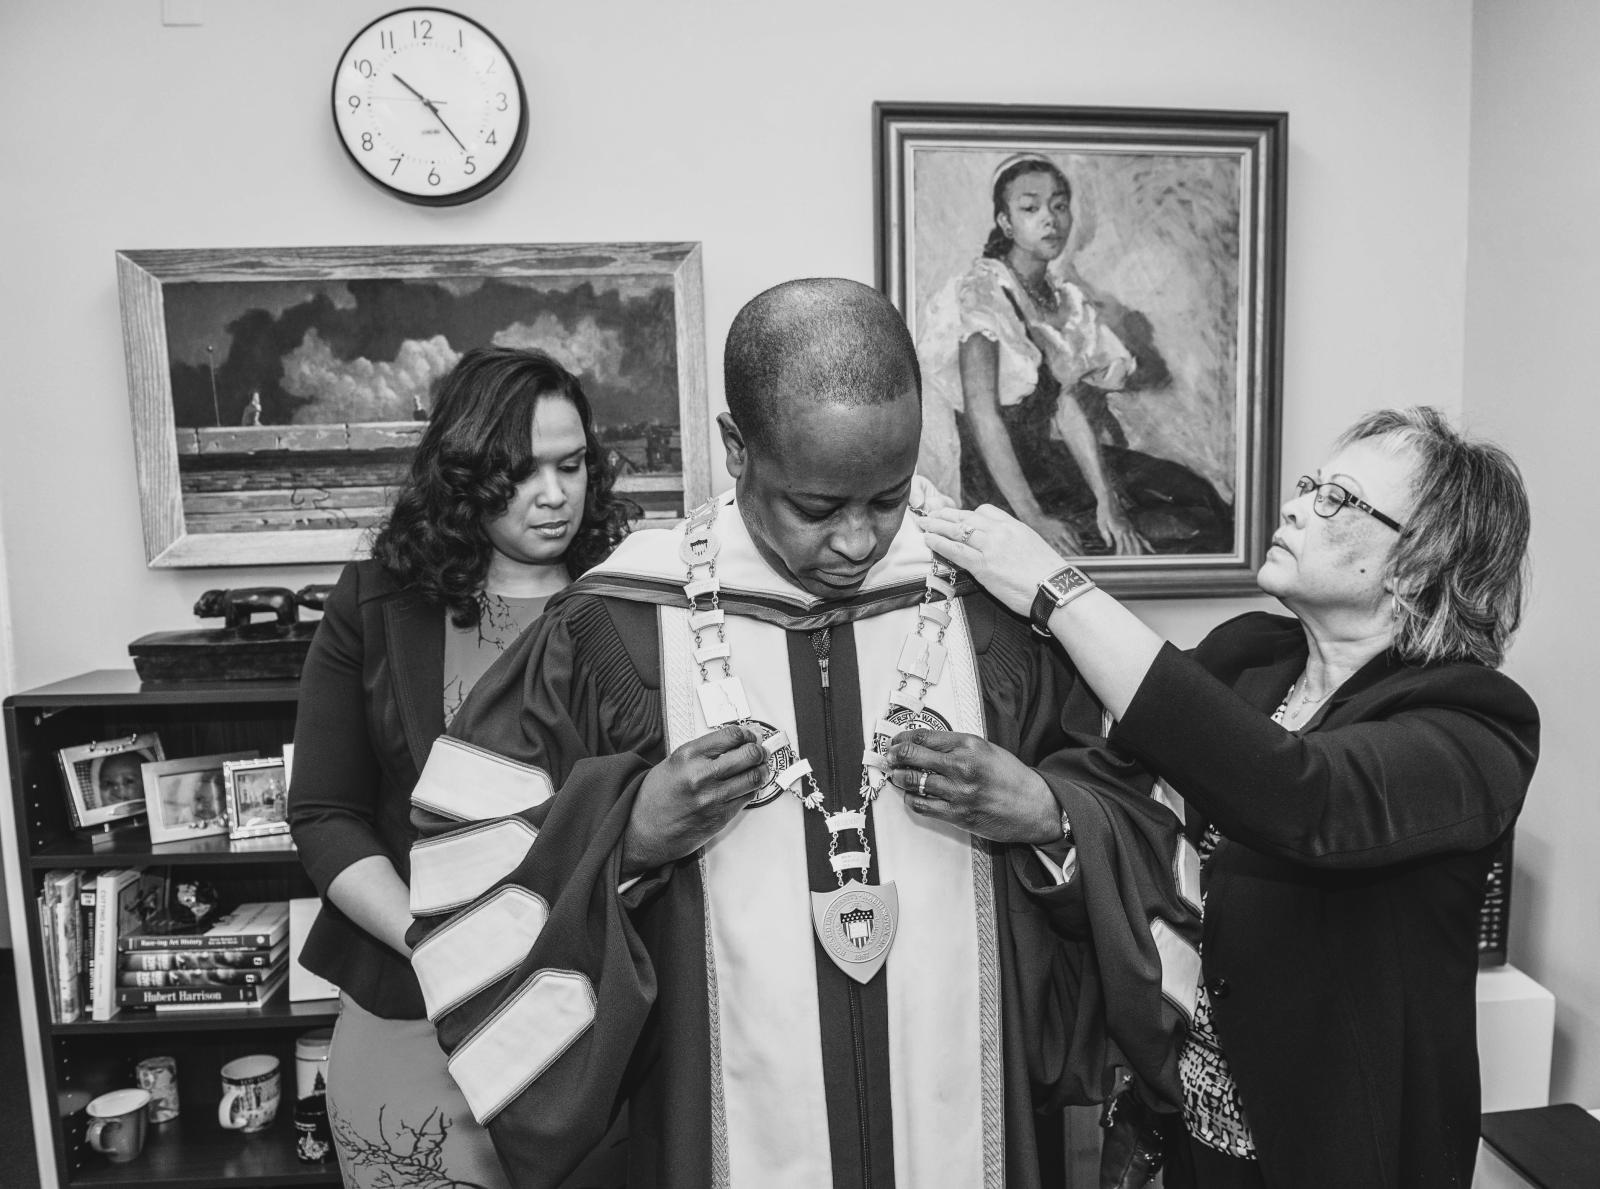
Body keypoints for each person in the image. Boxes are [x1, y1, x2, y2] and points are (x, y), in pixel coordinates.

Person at [404, 278, 1202, 1188]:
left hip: (968, 1124)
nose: (858, 541)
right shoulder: (617, 628)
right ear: (736, 449)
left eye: (890, 497)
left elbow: (1158, 823)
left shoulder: (991, 612)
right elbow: (468, 864)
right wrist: (625, 839)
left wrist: (1052, 815)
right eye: (818, 508)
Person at [919, 406, 1539, 1188]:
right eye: (1311, 483)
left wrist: (1054, 585)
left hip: (1340, 1152)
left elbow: (1298, 797)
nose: (1294, 504)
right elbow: (1116, 767)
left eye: (1336, 499)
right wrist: (1046, 808)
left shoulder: (1475, 723)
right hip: (1188, 1131)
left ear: (1418, 565)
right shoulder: (1250, 652)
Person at [287, 347, 633, 1189]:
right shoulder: (375, 601)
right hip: (413, 1010)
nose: (554, 494)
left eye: (572, 463)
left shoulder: (633, 602)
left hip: (592, 1029)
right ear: (466, 471)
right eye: (522, 471)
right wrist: (434, 940)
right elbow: (324, 812)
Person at [916, 153, 1232, 557]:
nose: (1050, 218)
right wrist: (1033, 517)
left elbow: (1064, 405)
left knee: (1199, 495)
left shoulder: (1063, 299)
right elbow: (983, 417)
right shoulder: (983, 293)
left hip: (1049, 461)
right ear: (1006, 222)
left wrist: (1107, 499)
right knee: (1179, 528)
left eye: (1060, 205)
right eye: (1030, 208)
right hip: (1003, 483)